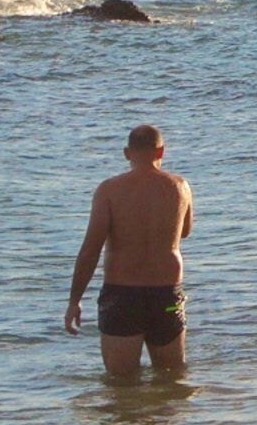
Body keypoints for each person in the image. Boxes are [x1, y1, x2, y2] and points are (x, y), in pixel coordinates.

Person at [66, 124, 194, 377]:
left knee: (120, 382)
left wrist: (74, 301)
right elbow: (185, 231)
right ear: (161, 152)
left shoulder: (109, 190)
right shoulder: (180, 187)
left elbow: (90, 249)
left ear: (127, 153)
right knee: (171, 377)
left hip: (122, 296)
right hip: (166, 294)